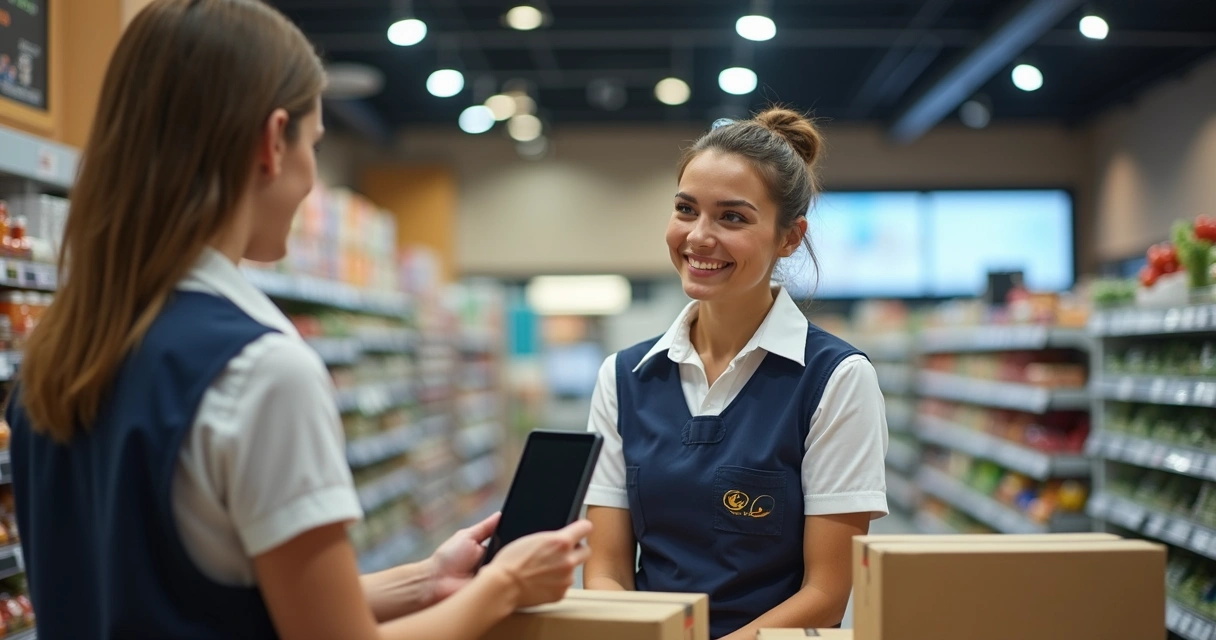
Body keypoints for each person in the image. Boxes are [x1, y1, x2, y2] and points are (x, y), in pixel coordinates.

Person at [6, 1, 590, 639]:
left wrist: (426, 581)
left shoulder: (56, 357)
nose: (312, 178)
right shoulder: (258, 371)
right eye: (312, 145)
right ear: (270, 141)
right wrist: (506, 584)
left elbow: (203, 599)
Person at [582, 109, 889, 640]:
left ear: (790, 238)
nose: (699, 237)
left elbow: (826, 593)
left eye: (733, 218)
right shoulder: (625, 377)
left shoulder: (835, 379)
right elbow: (605, 569)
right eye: (686, 209)